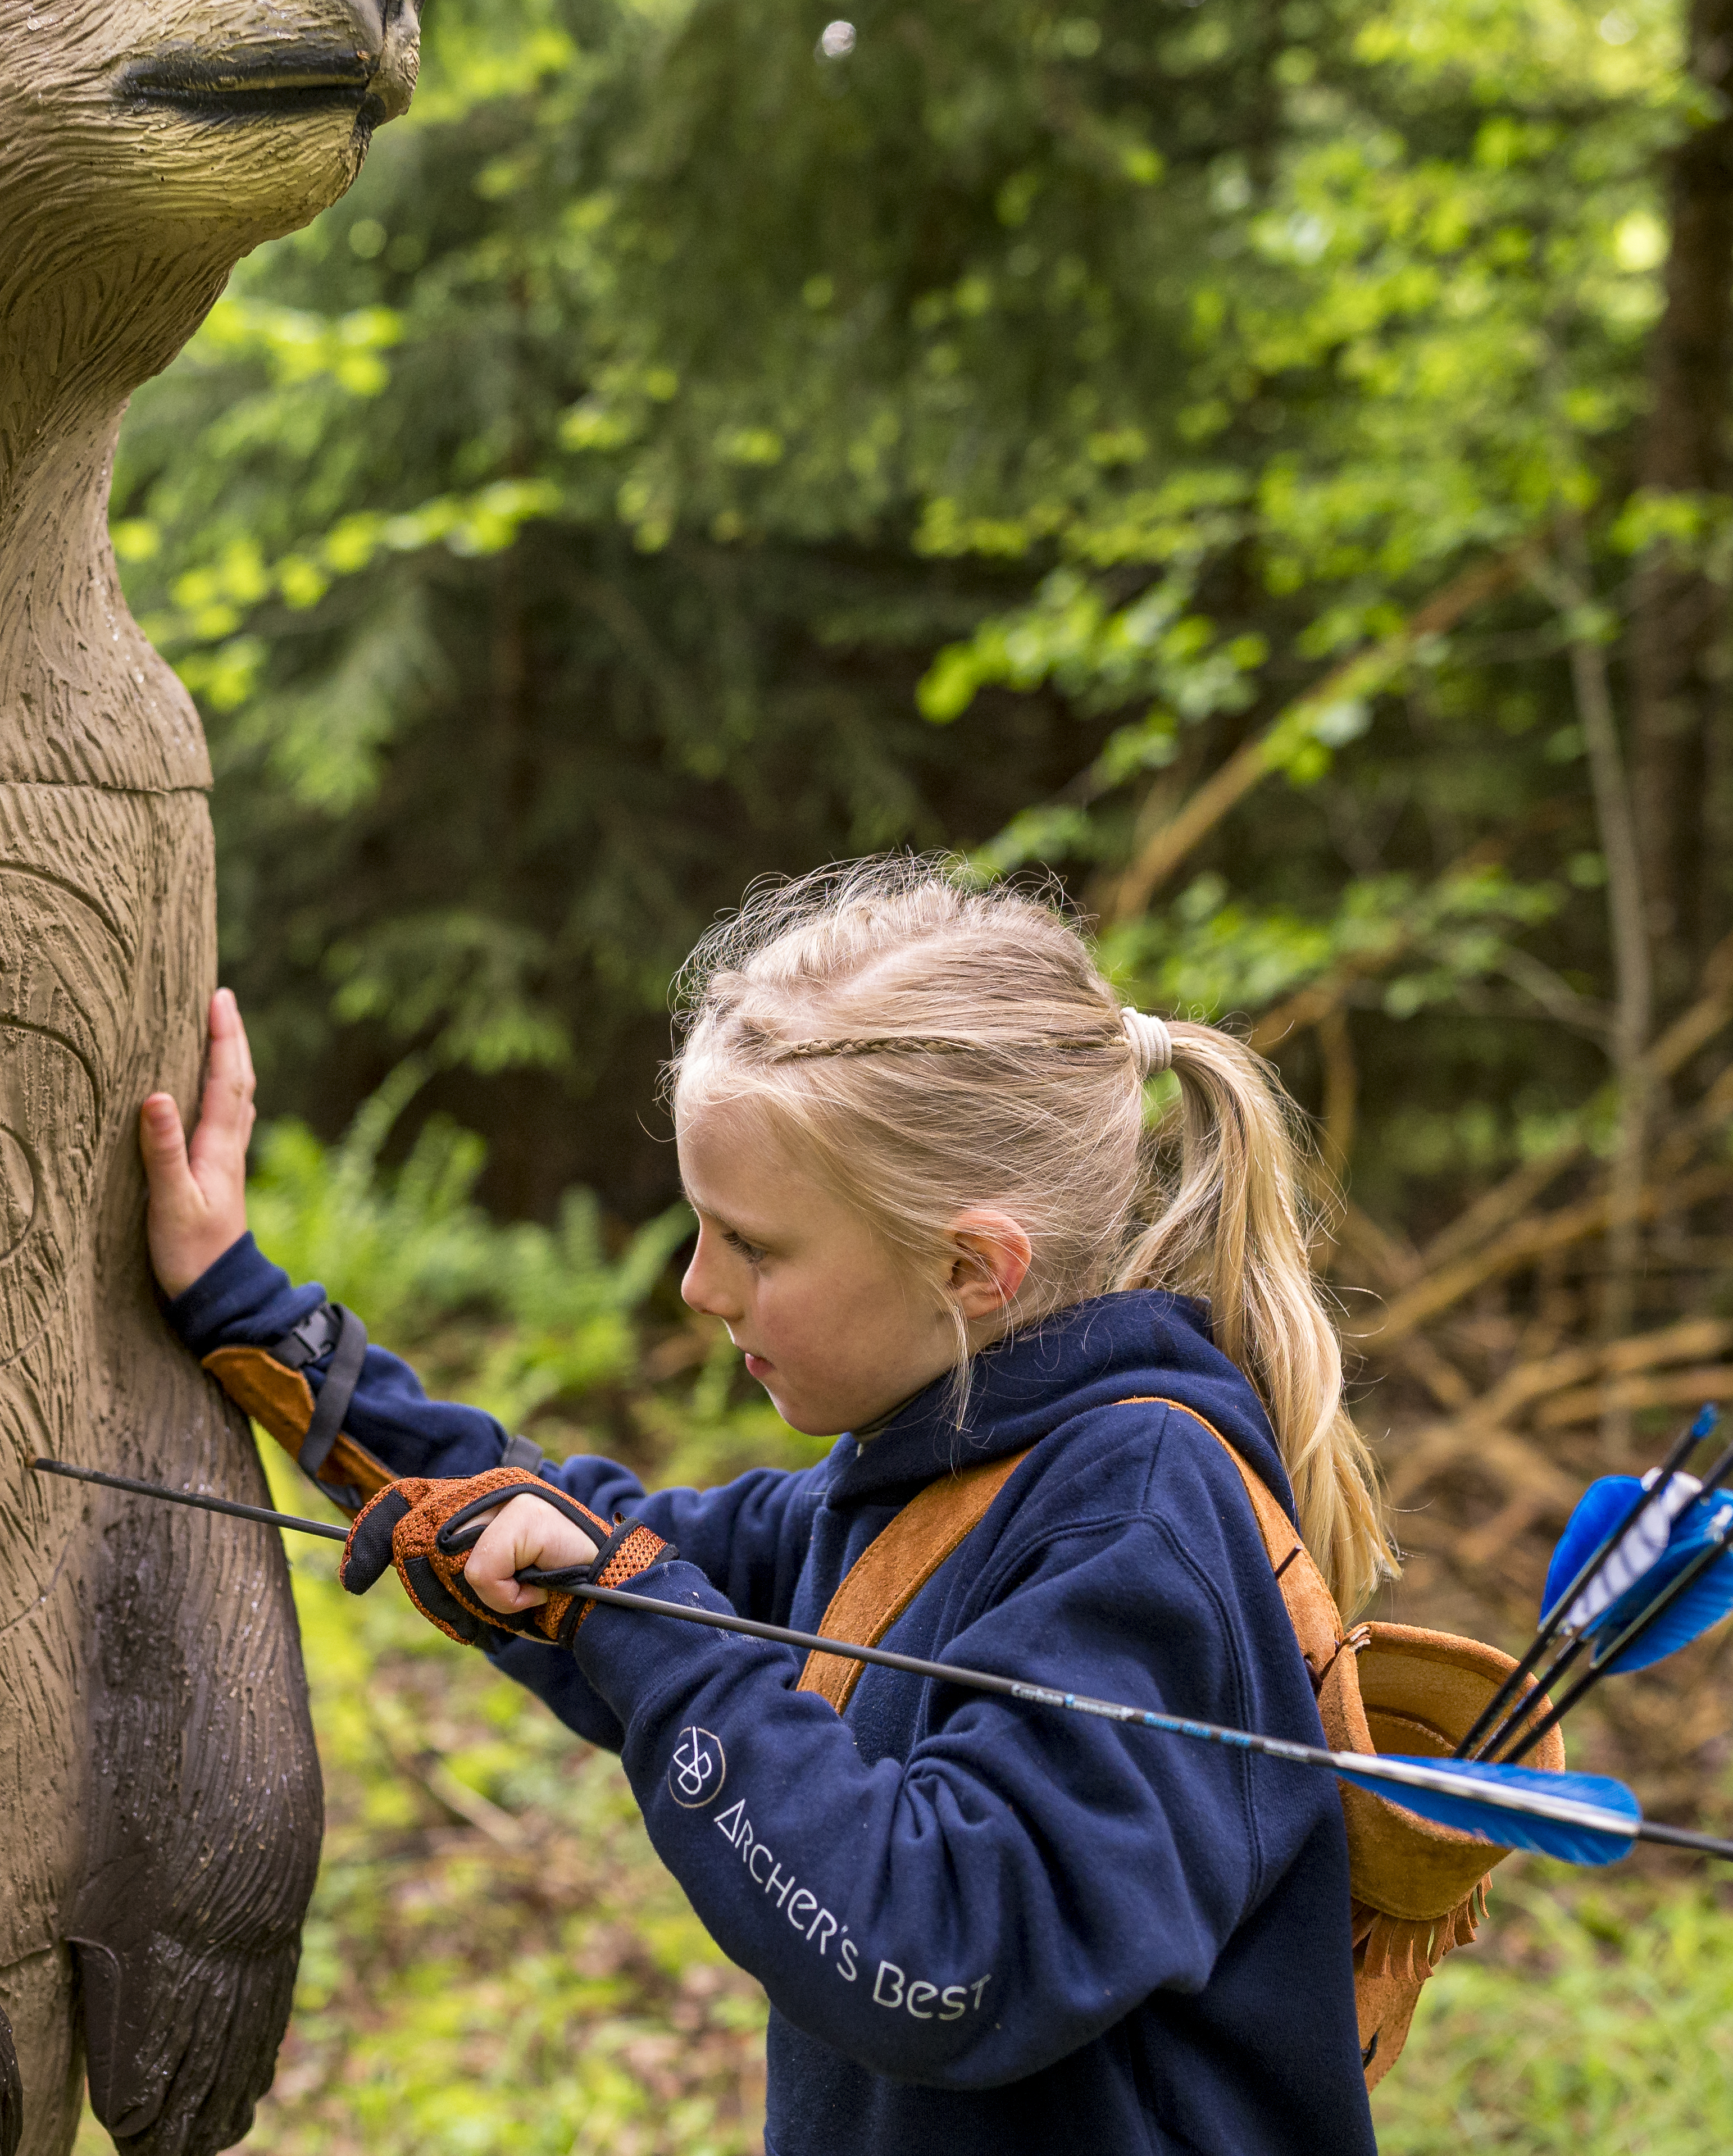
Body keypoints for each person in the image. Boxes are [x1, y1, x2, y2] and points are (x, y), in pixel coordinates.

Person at [137, 857, 1399, 2155]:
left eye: (750, 1243)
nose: (696, 1284)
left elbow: (941, 1949)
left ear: (969, 1266)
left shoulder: (1135, 1519)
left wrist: (648, 1617)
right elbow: (589, 1543)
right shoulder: (930, 1475)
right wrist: (257, 1320)